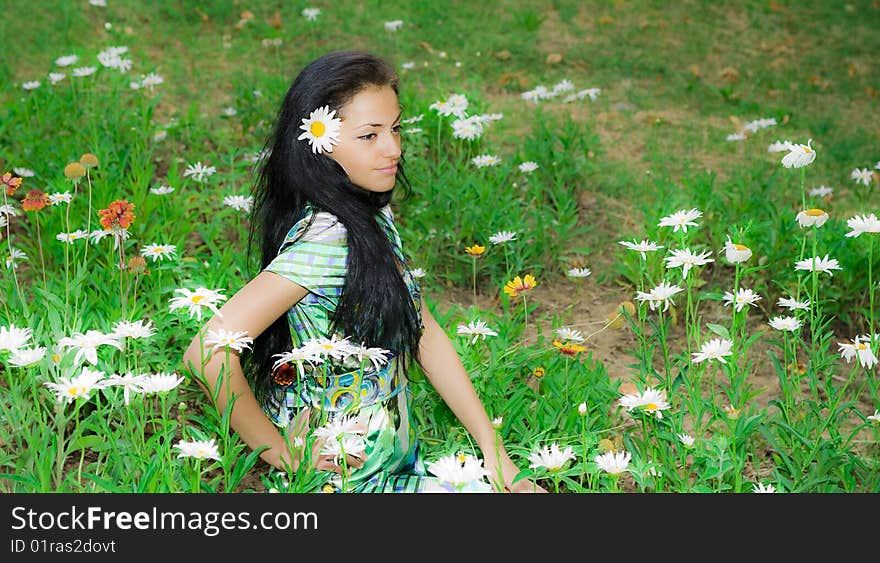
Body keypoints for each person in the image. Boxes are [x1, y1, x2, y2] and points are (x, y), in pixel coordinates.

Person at [183, 50, 546, 493]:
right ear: (320, 142)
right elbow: (207, 353)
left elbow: (423, 330)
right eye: (369, 135)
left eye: (395, 129)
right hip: (347, 482)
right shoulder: (326, 238)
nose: (392, 149)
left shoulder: (370, 214)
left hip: (397, 465)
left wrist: (495, 454)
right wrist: (282, 453)